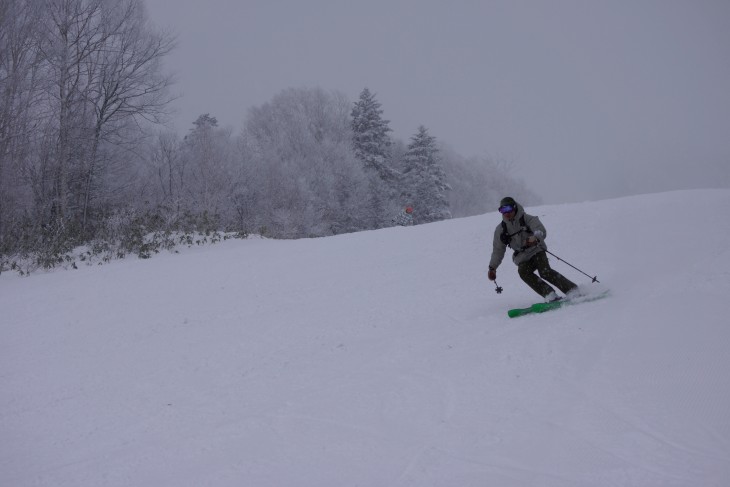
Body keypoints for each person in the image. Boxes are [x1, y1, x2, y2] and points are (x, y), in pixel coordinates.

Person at [487, 196, 577, 302]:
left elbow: (540, 230)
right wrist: (492, 268)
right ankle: (550, 294)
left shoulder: (528, 219)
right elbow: (498, 250)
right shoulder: (501, 230)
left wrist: (535, 237)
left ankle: (572, 290)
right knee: (523, 272)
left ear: (514, 207)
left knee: (545, 271)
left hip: (537, 250)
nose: (506, 213)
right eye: (502, 210)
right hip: (522, 257)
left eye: (508, 209)